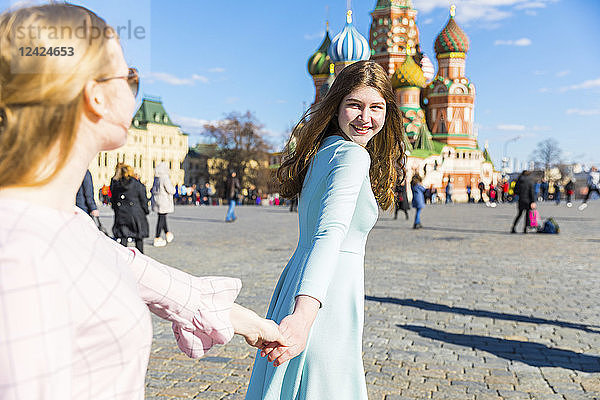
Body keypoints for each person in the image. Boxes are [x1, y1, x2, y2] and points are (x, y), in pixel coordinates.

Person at [0, 5, 286, 398]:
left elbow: (137, 272)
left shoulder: (58, 219)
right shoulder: (21, 255)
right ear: (95, 96)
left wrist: (249, 322)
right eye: (129, 76)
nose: (134, 89)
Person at [246, 60, 406, 399]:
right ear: (336, 108)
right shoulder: (352, 156)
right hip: (327, 293)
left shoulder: (324, 151)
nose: (366, 117)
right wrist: (304, 316)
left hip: (299, 279)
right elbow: (330, 233)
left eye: (376, 107)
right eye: (355, 105)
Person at [110, 164, 149, 252]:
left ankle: (123, 260)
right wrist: (145, 211)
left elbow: (113, 200)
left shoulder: (117, 185)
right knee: (139, 238)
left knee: (123, 237)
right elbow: (143, 199)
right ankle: (140, 259)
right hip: (136, 215)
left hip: (122, 215)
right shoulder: (137, 184)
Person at [151, 162, 176, 247]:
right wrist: (174, 190)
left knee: (162, 216)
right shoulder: (164, 177)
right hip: (164, 200)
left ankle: (167, 233)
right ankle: (157, 237)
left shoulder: (156, 178)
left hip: (157, 200)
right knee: (161, 218)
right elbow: (170, 189)